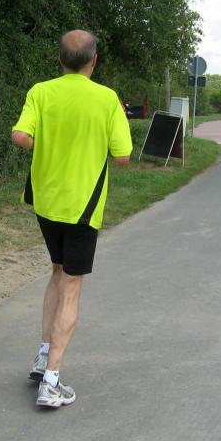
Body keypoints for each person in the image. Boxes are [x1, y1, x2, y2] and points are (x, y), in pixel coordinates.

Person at [11, 29, 132, 408]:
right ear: (94, 61)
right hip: (83, 206)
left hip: (46, 201)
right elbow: (123, 156)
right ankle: (51, 381)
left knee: (58, 271)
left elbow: (19, 136)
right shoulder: (107, 98)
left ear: (60, 59)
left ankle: (42, 356)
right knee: (72, 285)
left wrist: (46, 144)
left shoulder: (40, 91)